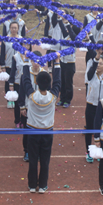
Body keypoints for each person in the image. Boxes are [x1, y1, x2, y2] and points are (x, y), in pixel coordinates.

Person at [21, 54, 61, 193]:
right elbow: (57, 81)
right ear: (49, 85)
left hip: (32, 132)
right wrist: (57, 62)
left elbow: (26, 79)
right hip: (47, 132)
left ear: (36, 83)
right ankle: (43, 185)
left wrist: (26, 61)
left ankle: (32, 185)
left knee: (33, 160)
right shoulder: (53, 96)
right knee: (44, 160)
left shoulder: (31, 96)